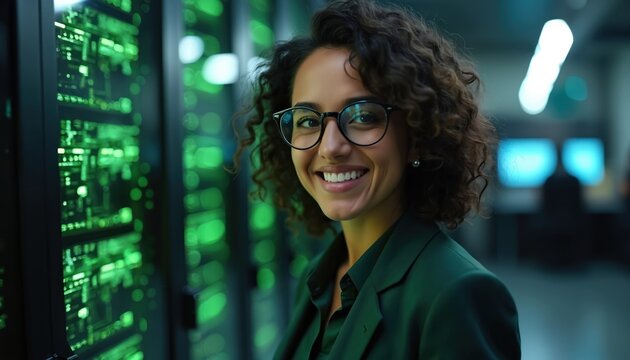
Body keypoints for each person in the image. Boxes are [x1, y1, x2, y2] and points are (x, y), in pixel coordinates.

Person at [233, 0, 521, 358]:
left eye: (363, 116)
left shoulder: (457, 294)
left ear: (416, 133)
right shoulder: (317, 277)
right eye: (308, 120)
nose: (331, 147)